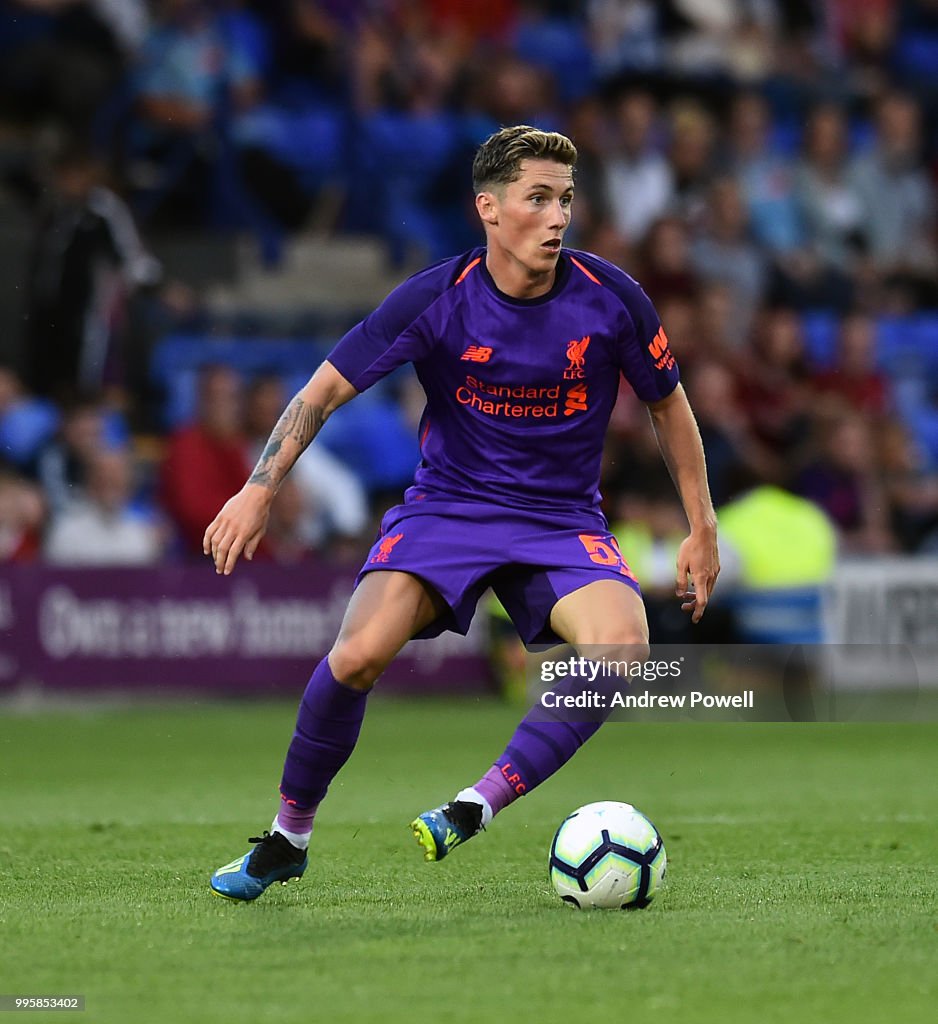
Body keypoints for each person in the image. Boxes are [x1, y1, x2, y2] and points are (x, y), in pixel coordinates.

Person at [204, 125, 719, 902]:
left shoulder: (613, 299)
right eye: (537, 199)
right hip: (450, 510)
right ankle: (286, 838)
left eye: (566, 200)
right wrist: (259, 487)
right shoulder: (436, 298)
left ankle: (477, 802)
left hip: (560, 521)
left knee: (622, 647)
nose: (556, 218)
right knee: (355, 658)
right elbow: (322, 392)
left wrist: (701, 523)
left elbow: (669, 407)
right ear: (489, 208)